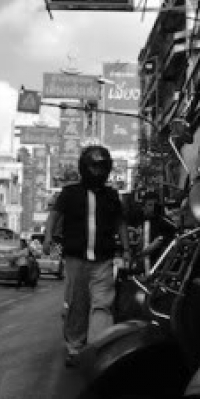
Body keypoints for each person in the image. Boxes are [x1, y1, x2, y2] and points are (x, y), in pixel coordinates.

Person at [43, 144, 131, 367]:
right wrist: (47, 238)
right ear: (84, 167)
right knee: (77, 304)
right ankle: (75, 348)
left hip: (103, 260)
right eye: (94, 166)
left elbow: (120, 222)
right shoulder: (69, 193)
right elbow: (55, 215)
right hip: (76, 260)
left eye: (102, 167)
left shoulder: (111, 196)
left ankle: (98, 348)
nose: (98, 171)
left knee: (103, 304)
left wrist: (127, 248)